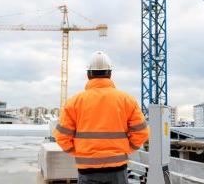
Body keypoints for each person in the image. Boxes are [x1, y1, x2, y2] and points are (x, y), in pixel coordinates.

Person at [53, 51, 149, 184]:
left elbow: (61, 136)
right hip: (117, 170)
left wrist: (78, 152)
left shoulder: (74, 102)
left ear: (88, 74)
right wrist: (126, 149)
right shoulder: (127, 100)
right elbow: (142, 133)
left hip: (87, 170)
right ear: (110, 74)